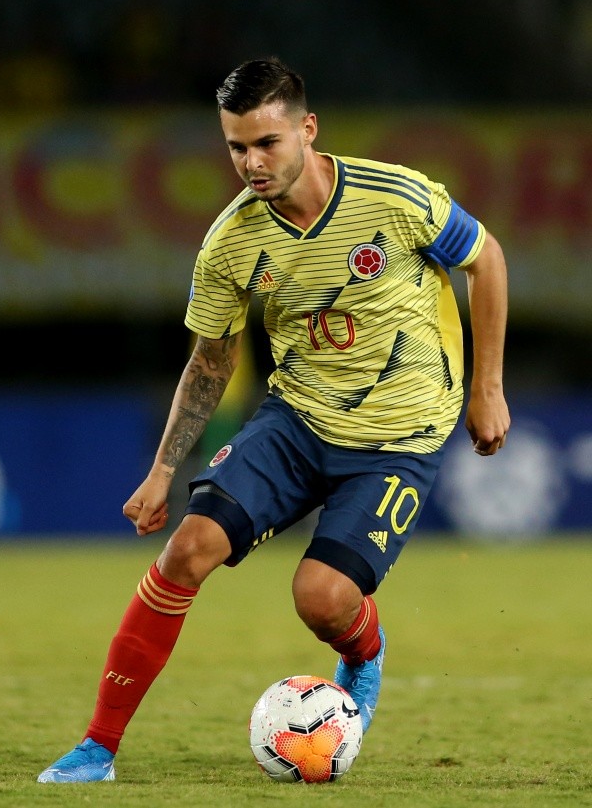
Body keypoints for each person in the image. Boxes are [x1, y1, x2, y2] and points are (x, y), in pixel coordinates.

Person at [38, 57, 510, 783]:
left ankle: (363, 653)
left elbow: (488, 259)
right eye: (235, 146)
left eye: (267, 143)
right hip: (296, 420)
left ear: (307, 130)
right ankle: (96, 747)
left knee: (321, 598)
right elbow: (210, 363)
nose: (251, 163)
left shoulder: (395, 197)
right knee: (186, 550)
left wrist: (487, 388)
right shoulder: (229, 243)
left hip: (397, 437)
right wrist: (165, 469)